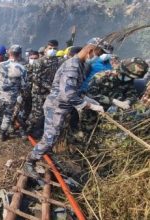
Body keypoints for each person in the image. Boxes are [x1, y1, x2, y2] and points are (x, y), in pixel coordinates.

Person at [24, 38, 108, 178]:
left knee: (54, 135)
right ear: (90, 51)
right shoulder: (73, 67)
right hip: (56, 107)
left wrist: (90, 101)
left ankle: (46, 152)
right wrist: (89, 105)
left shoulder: (79, 65)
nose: (97, 58)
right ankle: (30, 161)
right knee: (50, 138)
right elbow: (68, 94)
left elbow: (76, 90)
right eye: (97, 54)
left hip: (62, 107)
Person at [0, 45, 28, 141]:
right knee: (8, 114)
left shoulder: (0, 65)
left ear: (9, 53)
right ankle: (2, 134)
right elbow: (24, 86)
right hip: (11, 96)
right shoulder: (22, 68)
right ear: (19, 54)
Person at [26, 40, 60, 138]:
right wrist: (50, 87)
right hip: (39, 92)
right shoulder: (39, 62)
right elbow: (36, 79)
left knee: (49, 114)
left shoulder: (57, 61)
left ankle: (41, 132)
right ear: (45, 50)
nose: (52, 50)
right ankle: (28, 129)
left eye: (55, 49)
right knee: (37, 114)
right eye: (50, 48)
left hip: (51, 92)